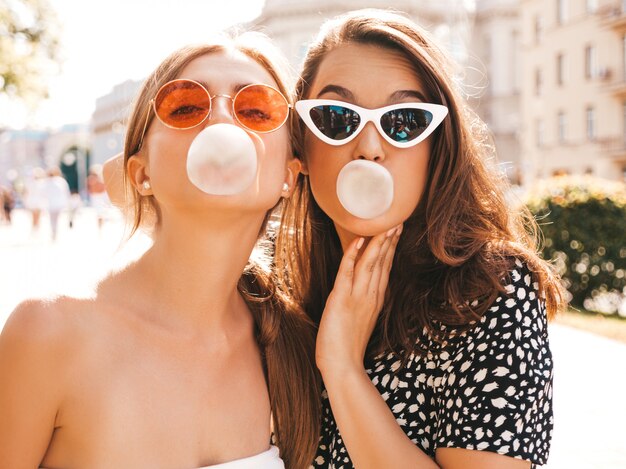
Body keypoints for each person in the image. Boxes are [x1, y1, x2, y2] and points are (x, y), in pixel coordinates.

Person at [0, 33, 320, 469]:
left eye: (256, 110)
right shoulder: (47, 332)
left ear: (289, 174)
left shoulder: (296, 348)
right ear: (140, 172)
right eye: (186, 106)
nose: (223, 121)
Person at [276, 9, 564, 469]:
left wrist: (343, 367)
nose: (369, 146)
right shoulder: (274, 298)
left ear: (438, 148)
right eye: (335, 117)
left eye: (405, 120)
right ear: (302, 149)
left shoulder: (490, 293)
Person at [43, 167, 71, 240]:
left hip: (51, 204)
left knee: (52, 219)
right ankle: (55, 232)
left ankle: (54, 232)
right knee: (57, 219)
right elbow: (66, 192)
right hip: (59, 203)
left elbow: (44, 193)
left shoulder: (46, 182)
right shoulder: (61, 181)